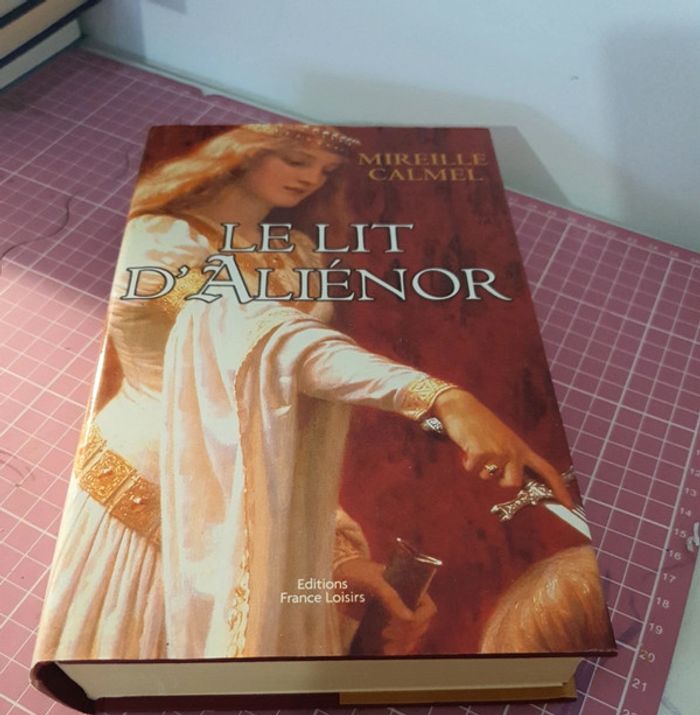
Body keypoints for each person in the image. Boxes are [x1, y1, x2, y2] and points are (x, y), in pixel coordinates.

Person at [35, 125, 571, 663]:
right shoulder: (161, 238)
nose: (311, 178)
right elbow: (260, 338)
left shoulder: (297, 255)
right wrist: (442, 398)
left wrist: (338, 563)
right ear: (240, 156)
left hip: (255, 491)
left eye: (326, 170)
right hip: (142, 496)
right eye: (297, 160)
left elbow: (278, 417)